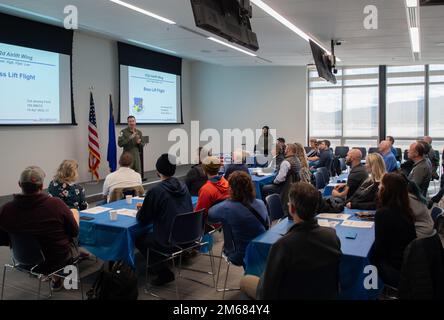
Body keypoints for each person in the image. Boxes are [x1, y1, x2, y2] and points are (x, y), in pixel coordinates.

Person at [240, 182, 341, 300]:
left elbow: (267, 291)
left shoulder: (282, 245)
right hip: (324, 294)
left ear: (292, 208)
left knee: (245, 281)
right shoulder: (332, 236)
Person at [0, 166, 79, 289]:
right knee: (74, 213)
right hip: (55, 260)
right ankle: (56, 277)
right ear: (42, 186)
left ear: (20, 184)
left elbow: (3, 239)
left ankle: (44, 273)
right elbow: (74, 231)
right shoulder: (56, 204)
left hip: (22, 260)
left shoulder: (6, 209)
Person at [135, 154, 193, 286]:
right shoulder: (183, 186)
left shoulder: (156, 191)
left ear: (157, 171)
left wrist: (141, 210)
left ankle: (163, 272)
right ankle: (160, 263)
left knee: (140, 239)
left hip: (170, 240)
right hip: (190, 236)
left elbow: (143, 219)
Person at [208, 171, 268, 266]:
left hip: (239, 255)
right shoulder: (260, 203)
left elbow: (210, 215)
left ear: (231, 189)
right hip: (261, 249)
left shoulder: (226, 207)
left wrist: (226, 201)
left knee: (226, 222)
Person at [372, 173, 416, 288]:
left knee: (362, 262)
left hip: (392, 267)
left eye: (381, 185)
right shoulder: (406, 210)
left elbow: (379, 250)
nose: (378, 187)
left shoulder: (383, 214)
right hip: (407, 264)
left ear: (387, 190)